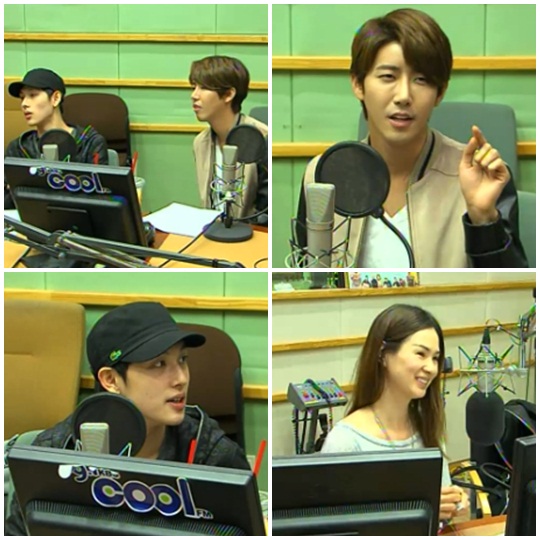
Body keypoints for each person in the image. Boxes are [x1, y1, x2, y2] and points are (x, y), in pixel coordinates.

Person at [296, 8, 528, 268]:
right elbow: (308, 275)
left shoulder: (482, 177)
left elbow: (513, 284)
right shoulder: (323, 174)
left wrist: (483, 218)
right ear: (358, 84)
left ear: (440, 92)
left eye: (421, 79)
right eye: (388, 76)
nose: (404, 96)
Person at [5, 301, 250, 535]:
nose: (181, 378)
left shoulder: (214, 457)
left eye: (182, 360)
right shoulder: (56, 454)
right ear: (111, 380)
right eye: (159, 364)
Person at [321, 304, 470, 523]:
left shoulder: (427, 427)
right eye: (420, 354)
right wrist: (420, 509)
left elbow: (440, 512)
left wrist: (452, 503)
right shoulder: (345, 441)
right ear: (383, 355)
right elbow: (334, 528)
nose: (431, 368)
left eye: (435, 358)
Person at [4, 68, 109, 209]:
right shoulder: (18, 148)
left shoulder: (90, 143)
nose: (24, 104)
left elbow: (103, 198)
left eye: (33, 95)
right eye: (22, 98)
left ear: (55, 98)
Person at [190, 56, 268, 225]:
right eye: (194, 87)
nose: (194, 95)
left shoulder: (262, 138)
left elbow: (265, 216)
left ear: (228, 94)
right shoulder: (200, 143)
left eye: (204, 88)